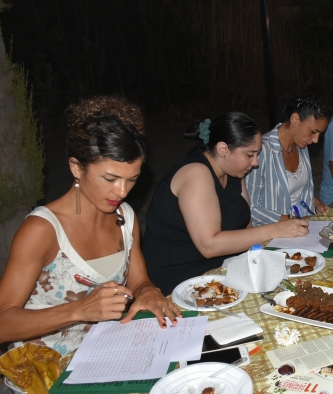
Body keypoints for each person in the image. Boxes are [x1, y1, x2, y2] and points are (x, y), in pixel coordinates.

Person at [0, 96, 181, 356]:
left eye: (132, 180)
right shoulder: (43, 230)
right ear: (76, 167)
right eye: (110, 178)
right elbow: (3, 323)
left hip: (105, 352)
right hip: (43, 366)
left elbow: (139, 280)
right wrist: (79, 310)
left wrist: (149, 291)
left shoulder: (125, 218)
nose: (121, 191)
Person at [142, 112, 309, 293]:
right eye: (250, 154)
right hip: (180, 279)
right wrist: (277, 228)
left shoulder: (235, 173)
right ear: (223, 149)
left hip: (221, 270)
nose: (255, 162)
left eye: (257, 154)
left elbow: (247, 230)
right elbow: (209, 245)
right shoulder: (196, 173)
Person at [245, 96, 331, 226]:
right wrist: (289, 220)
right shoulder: (261, 151)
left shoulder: (301, 145)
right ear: (295, 119)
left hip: (301, 224)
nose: (315, 139)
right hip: (272, 232)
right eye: (313, 131)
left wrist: (316, 203)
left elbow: (293, 192)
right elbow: (251, 208)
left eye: (319, 134)